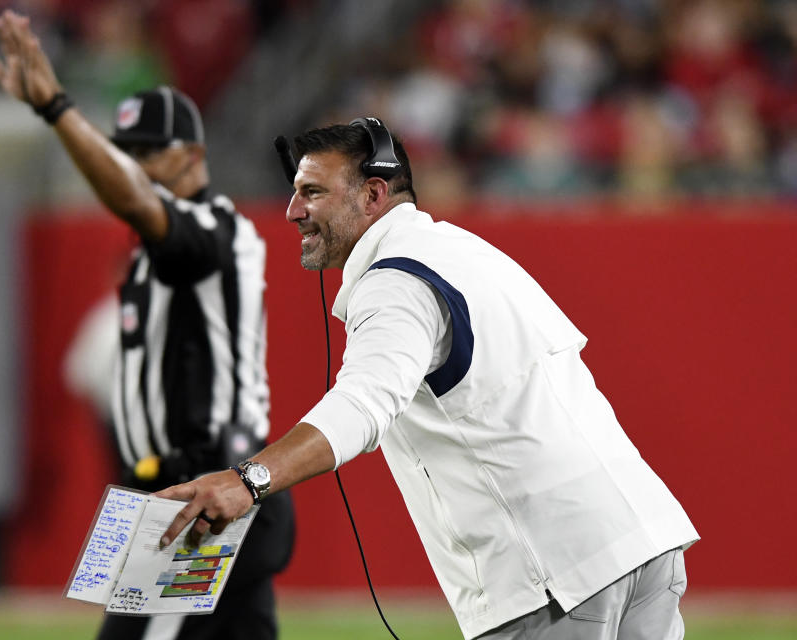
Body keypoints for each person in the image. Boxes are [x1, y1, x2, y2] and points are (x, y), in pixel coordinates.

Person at [155, 118, 699, 640]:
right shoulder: (462, 249)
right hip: (642, 541)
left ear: (372, 195)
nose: (294, 210)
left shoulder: (394, 281)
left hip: (558, 573)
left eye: (313, 191)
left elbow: (362, 406)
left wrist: (247, 481)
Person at [0, 10, 294, 640]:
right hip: (162, 489)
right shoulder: (149, 259)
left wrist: (55, 109)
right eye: (126, 153)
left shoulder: (220, 229)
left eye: (150, 151)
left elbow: (135, 200)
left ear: (194, 156)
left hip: (207, 486)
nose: (135, 166)